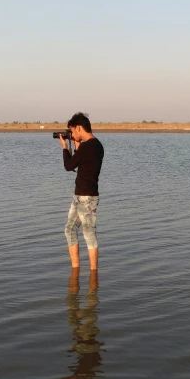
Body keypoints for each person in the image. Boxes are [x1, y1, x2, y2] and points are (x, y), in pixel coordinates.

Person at [58, 112, 104, 270]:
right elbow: (82, 163)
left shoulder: (89, 146)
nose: (71, 134)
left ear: (79, 127)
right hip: (80, 195)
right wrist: (77, 145)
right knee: (69, 229)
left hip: (87, 197)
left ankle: (93, 273)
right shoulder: (95, 146)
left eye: (72, 131)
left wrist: (65, 147)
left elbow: (69, 166)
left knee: (88, 233)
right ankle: (75, 269)